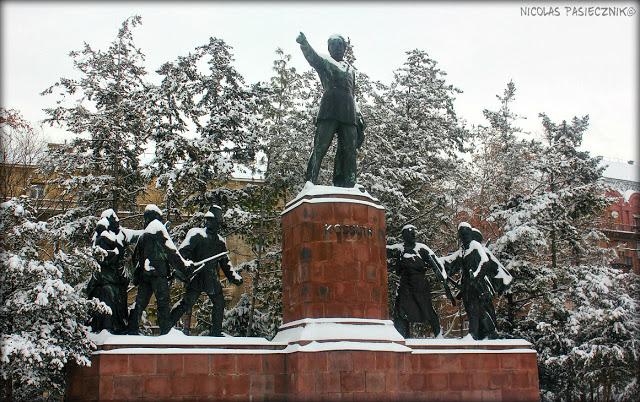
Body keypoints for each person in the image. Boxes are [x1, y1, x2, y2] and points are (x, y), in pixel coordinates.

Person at [296, 32, 366, 187]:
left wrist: (358, 114)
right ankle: (310, 181)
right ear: (328, 48)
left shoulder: (351, 70)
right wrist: (304, 44)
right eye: (333, 44)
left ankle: (348, 184)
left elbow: (352, 93)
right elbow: (312, 58)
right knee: (320, 147)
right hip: (329, 110)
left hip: (348, 113)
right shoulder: (325, 61)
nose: (337, 47)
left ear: (344, 48)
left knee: (349, 151)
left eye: (340, 44)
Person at [170, 205, 243, 336]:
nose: (208, 222)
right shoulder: (196, 234)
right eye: (207, 219)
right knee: (186, 303)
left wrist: (233, 277)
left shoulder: (220, 242)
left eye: (211, 220)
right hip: (197, 276)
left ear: (217, 222)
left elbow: (225, 263)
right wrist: (188, 264)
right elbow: (181, 254)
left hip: (211, 279)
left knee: (219, 303)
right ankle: (167, 326)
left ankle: (216, 333)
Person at [127, 204, 192, 335]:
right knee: (163, 303)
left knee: (140, 303)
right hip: (158, 275)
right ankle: (165, 333)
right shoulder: (158, 229)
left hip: (144, 275)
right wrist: (184, 266)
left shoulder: (143, 235)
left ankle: (131, 329)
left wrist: (140, 271)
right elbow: (171, 251)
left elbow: (134, 258)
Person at [440, 222, 511, 340]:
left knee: (479, 310)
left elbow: (485, 262)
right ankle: (479, 333)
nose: (464, 237)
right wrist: (437, 261)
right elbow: (450, 262)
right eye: (461, 235)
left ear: (470, 234)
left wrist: (476, 275)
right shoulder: (463, 251)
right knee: (471, 310)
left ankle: (483, 333)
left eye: (466, 234)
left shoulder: (474, 245)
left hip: (479, 286)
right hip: (467, 287)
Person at [386, 224, 453, 338]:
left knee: (427, 308)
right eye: (409, 234)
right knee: (400, 310)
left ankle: (438, 334)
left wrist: (444, 281)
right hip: (405, 285)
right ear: (404, 236)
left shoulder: (422, 248)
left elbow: (436, 264)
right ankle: (402, 337)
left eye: (413, 234)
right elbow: (385, 250)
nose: (412, 236)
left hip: (420, 284)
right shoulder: (400, 249)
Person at [87, 218, 129, 334]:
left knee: (109, 302)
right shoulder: (109, 244)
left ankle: (109, 327)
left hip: (106, 281)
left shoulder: (101, 242)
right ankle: (109, 327)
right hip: (109, 282)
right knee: (111, 302)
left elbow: (102, 259)